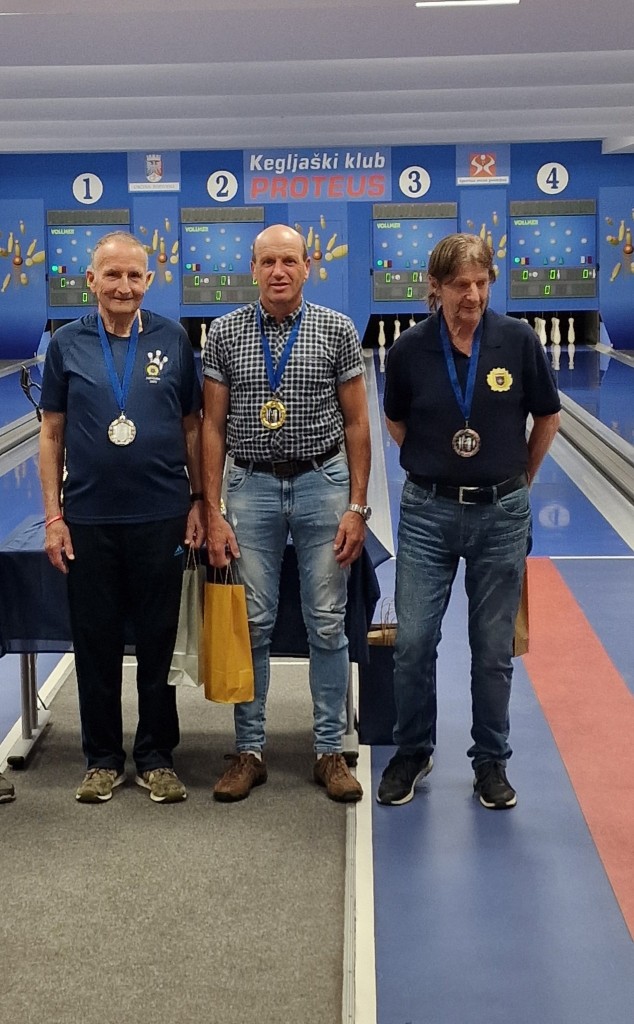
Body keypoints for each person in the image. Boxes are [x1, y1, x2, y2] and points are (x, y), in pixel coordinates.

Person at [377, 233, 560, 810]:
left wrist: (518, 480)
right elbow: (395, 421)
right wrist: (437, 465)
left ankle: (491, 762)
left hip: (500, 514)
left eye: (482, 283)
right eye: (461, 285)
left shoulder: (519, 340)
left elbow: (548, 417)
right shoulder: (408, 349)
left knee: (492, 650)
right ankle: (412, 751)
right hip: (428, 514)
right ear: (435, 287)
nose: (473, 295)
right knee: (413, 642)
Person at [202, 224, 370, 803]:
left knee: (327, 620)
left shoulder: (336, 328)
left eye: (289, 261)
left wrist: (357, 505)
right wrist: (212, 508)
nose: (279, 271)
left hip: (323, 481)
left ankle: (329, 751)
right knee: (253, 621)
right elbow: (212, 427)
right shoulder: (224, 332)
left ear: (307, 266)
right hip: (250, 484)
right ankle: (249, 750)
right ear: (253, 268)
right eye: (268, 261)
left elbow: (357, 424)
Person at [39, 231, 204, 804]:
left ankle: (156, 756)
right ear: (91, 280)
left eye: (134, 275)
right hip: (89, 520)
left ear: (149, 281)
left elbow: (191, 427)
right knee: (96, 645)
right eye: (112, 274)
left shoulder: (173, 338)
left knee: (159, 642)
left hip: (162, 517)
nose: (124, 285)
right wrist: (53, 517)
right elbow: (51, 433)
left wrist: (201, 501)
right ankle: (103, 759)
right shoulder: (66, 345)